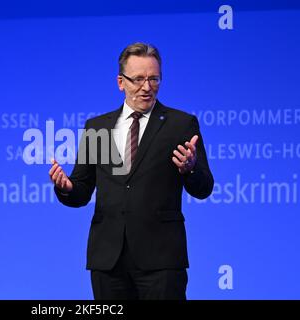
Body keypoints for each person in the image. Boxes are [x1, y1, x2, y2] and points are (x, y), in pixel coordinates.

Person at [48, 42, 214, 300]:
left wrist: (190, 170)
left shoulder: (181, 124)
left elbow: (204, 188)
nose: (147, 87)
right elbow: (81, 190)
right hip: (108, 259)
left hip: (161, 259)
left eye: (154, 78)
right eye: (138, 79)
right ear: (120, 82)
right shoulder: (97, 127)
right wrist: (65, 188)